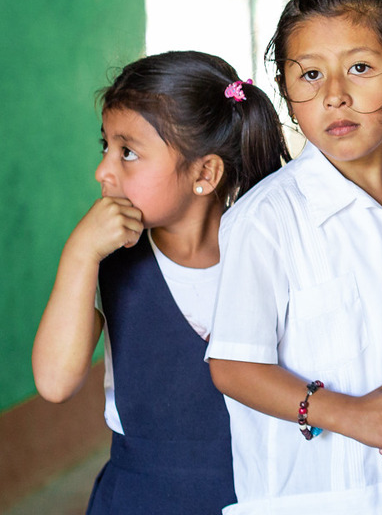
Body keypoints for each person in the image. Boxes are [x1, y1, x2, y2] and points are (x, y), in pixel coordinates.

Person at [207, 0, 382, 515]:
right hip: (314, 498)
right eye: (311, 75)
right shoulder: (266, 219)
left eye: (361, 68)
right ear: (286, 94)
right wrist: (347, 413)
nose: (335, 96)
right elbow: (234, 366)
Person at [32, 51, 290, 515]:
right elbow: (54, 382)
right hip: (138, 498)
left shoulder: (268, 255)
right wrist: (78, 256)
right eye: (105, 147)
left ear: (205, 173)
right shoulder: (110, 257)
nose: (103, 171)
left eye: (127, 152)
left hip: (256, 494)